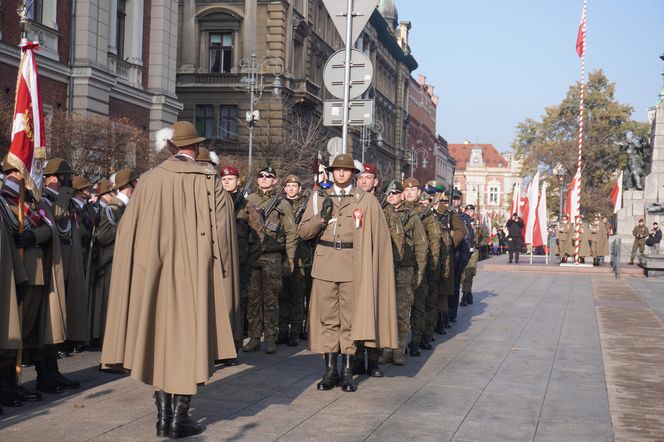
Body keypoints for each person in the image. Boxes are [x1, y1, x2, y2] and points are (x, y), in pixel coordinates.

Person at [100, 121, 239, 438]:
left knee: (159, 340)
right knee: (190, 343)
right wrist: (223, 274)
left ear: (174, 147)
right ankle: (179, 418)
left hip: (155, 274)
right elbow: (222, 233)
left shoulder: (147, 180)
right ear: (195, 147)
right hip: (194, 275)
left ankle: (163, 417)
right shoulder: (208, 179)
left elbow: (129, 232)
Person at [298, 154, 397, 392]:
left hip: (353, 266)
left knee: (349, 320)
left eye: (345, 170)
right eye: (337, 170)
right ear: (331, 172)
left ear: (353, 173)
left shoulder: (365, 200)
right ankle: (330, 370)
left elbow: (378, 238)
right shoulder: (318, 197)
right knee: (328, 319)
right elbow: (303, 232)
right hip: (324, 265)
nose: (341, 174)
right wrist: (321, 219)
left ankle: (347, 371)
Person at [1, 158, 69, 396]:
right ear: (14, 172)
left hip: (37, 271)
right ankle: (7, 384)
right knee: (12, 330)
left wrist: (33, 237)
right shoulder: (5, 201)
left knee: (29, 329)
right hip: (18, 272)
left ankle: (20, 380)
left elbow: (50, 229)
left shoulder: (34, 201)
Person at [244, 166, 297, 354]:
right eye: (262, 176)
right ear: (257, 180)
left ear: (275, 181)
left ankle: (271, 337)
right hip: (253, 256)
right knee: (253, 298)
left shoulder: (283, 204)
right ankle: (254, 336)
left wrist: (289, 260)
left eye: (269, 176)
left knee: (272, 299)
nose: (265, 178)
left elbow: (291, 233)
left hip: (273, 256)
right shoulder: (249, 200)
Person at [94, 168, 138, 349]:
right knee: (111, 306)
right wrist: (125, 223)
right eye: (136, 182)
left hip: (121, 260)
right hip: (111, 262)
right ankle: (109, 347)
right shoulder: (114, 207)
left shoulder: (124, 207)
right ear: (129, 185)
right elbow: (103, 237)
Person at [220, 165, 259, 351]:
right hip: (221, 261)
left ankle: (235, 345)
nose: (227, 182)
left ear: (238, 181)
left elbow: (258, 236)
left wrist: (250, 262)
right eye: (224, 179)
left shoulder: (247, 205)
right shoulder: (216, 203)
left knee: (239, 304)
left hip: (241, 263)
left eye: (230, 179)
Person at [390, 180, 428, 361]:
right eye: (389, 193)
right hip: (384, 268)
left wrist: (419, 272)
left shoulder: (412, 217)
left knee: (401, 311)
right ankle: (384, 350)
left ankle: (398, 349)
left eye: (396, 192)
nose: (392, 196)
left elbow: (422, 245)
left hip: (404, 269)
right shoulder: (380, 213)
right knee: (383, 312)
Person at [279, 174, 310, 347]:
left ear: (299, 188)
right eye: (288, 185)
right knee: (283, 296)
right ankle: (282, 330)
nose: (291, 188)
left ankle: (295, 332)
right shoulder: (279, 204)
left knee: (298, 297)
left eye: (294, 186)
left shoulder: (305, 206)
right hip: (282, 253)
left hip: (300, 257)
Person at [461, 204, 487, 306]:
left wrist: (479, 244)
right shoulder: (462, 221)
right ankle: (468, 293)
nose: (469, 213)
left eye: (471, 211)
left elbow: (485, 236)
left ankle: (464, 295)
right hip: (464, 249)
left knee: (470, 273)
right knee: (463, 274)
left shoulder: (478, 224)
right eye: (467, 211)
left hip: (474, 251)